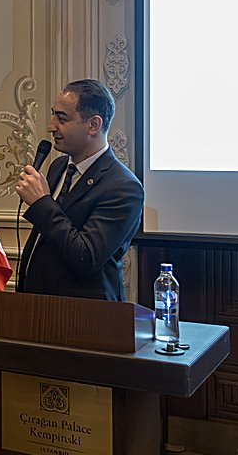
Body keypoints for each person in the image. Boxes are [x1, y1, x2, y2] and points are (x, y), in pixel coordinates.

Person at [14, 79, 143, 301]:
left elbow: (86, 257)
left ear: (93, 125)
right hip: (39, 304)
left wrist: (41, 203)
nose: (51, 126)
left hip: (84, 312)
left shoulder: (123, 187)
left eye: (62, 118)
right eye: (53, 115)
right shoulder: (59, 166)